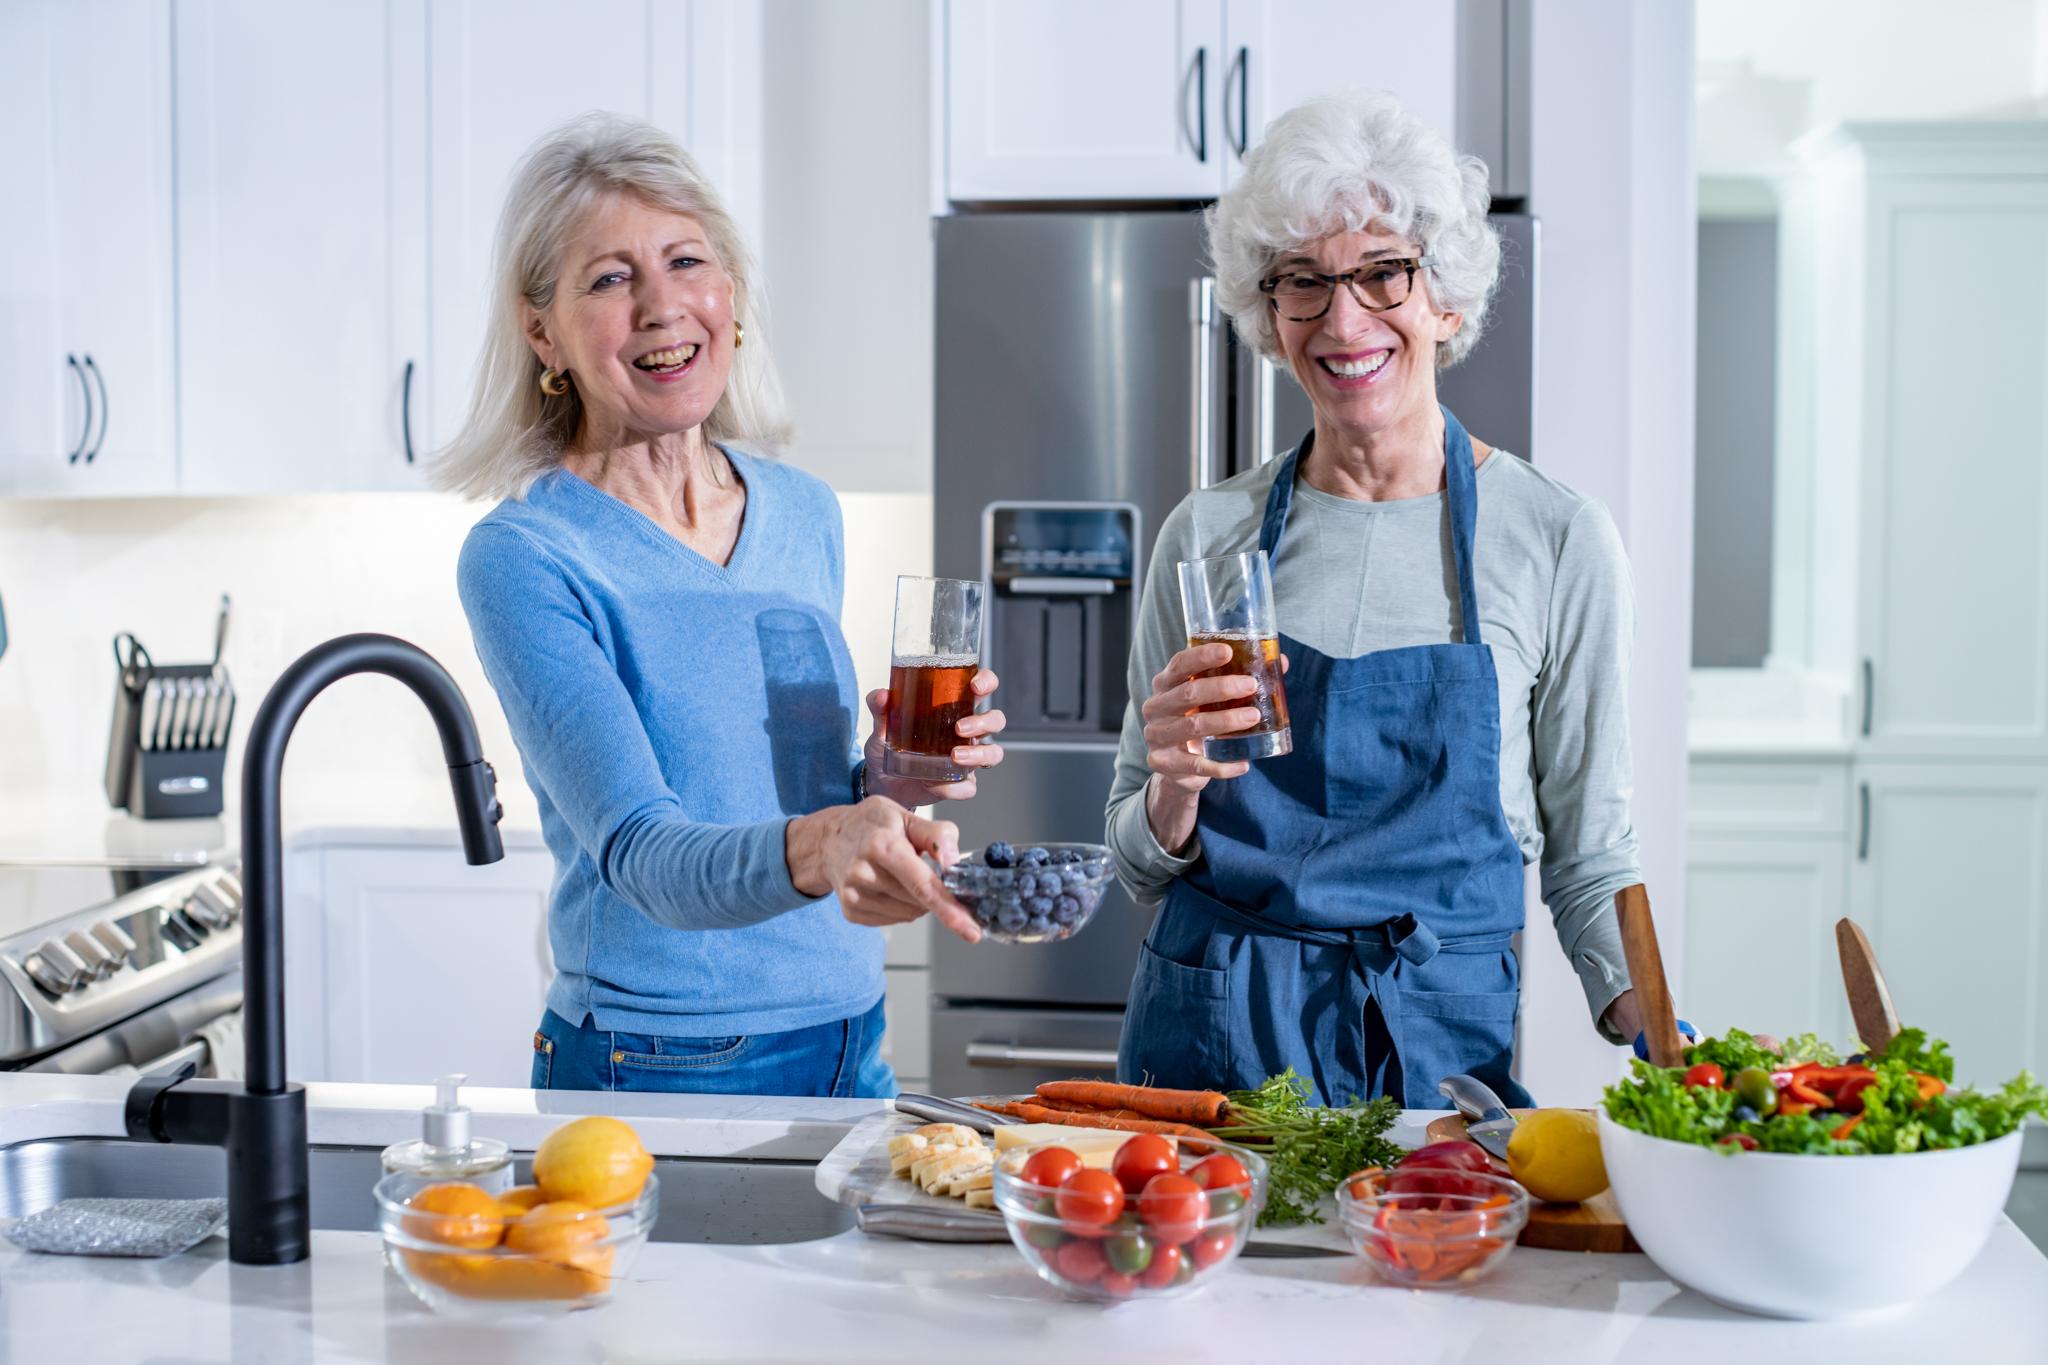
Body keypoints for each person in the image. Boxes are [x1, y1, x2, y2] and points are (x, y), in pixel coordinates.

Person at [438, 114, 1003, 1097]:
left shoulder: (802, 509)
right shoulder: (526, 556)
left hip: (847, 1031)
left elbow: (791, 794)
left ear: (729, 295)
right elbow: (644, 854)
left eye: (686, 261)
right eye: (610, 279)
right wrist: (836, 841)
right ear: (542, 330)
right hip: (659, 1057)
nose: (662, 307)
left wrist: (892, 777)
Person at [1108, 92, 1642, 1108]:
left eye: (1381, 272)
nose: (1341, 318)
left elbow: (1590, 855)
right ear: (1269, 316)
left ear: (1442, 298)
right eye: (1301, 281)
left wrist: (1654, 1025)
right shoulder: (1206, 536)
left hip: (1434, 1035)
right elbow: (1132, 864)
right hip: (1217, 1034)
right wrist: (1173, 790)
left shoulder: (1556, 538)